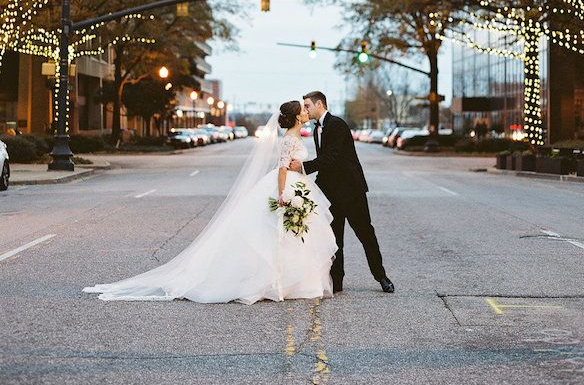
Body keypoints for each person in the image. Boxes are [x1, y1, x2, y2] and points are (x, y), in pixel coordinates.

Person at [83, 101, 337, 304]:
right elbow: (282, 169)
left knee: (291, 236)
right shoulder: (290, 139)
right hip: (286, 188)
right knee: (278, 235)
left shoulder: (297, 136)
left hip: (299, 186)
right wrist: (283, 195)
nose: (306, 112)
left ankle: (292, 280)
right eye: (303, 110)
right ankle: (277, 280)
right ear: (295, 117)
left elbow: (294, 166)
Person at [290, 91, 394, 294]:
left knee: (366, 234)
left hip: (352, 191)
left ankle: (381, 276)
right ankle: (337, 281)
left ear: (319, 104)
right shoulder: (317, 129)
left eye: (308, 106)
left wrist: (303, 167)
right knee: (335, 239)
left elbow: (332, 158)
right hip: (332, 194)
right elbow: (327, 165)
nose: (305, 110)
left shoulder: (337, 125)